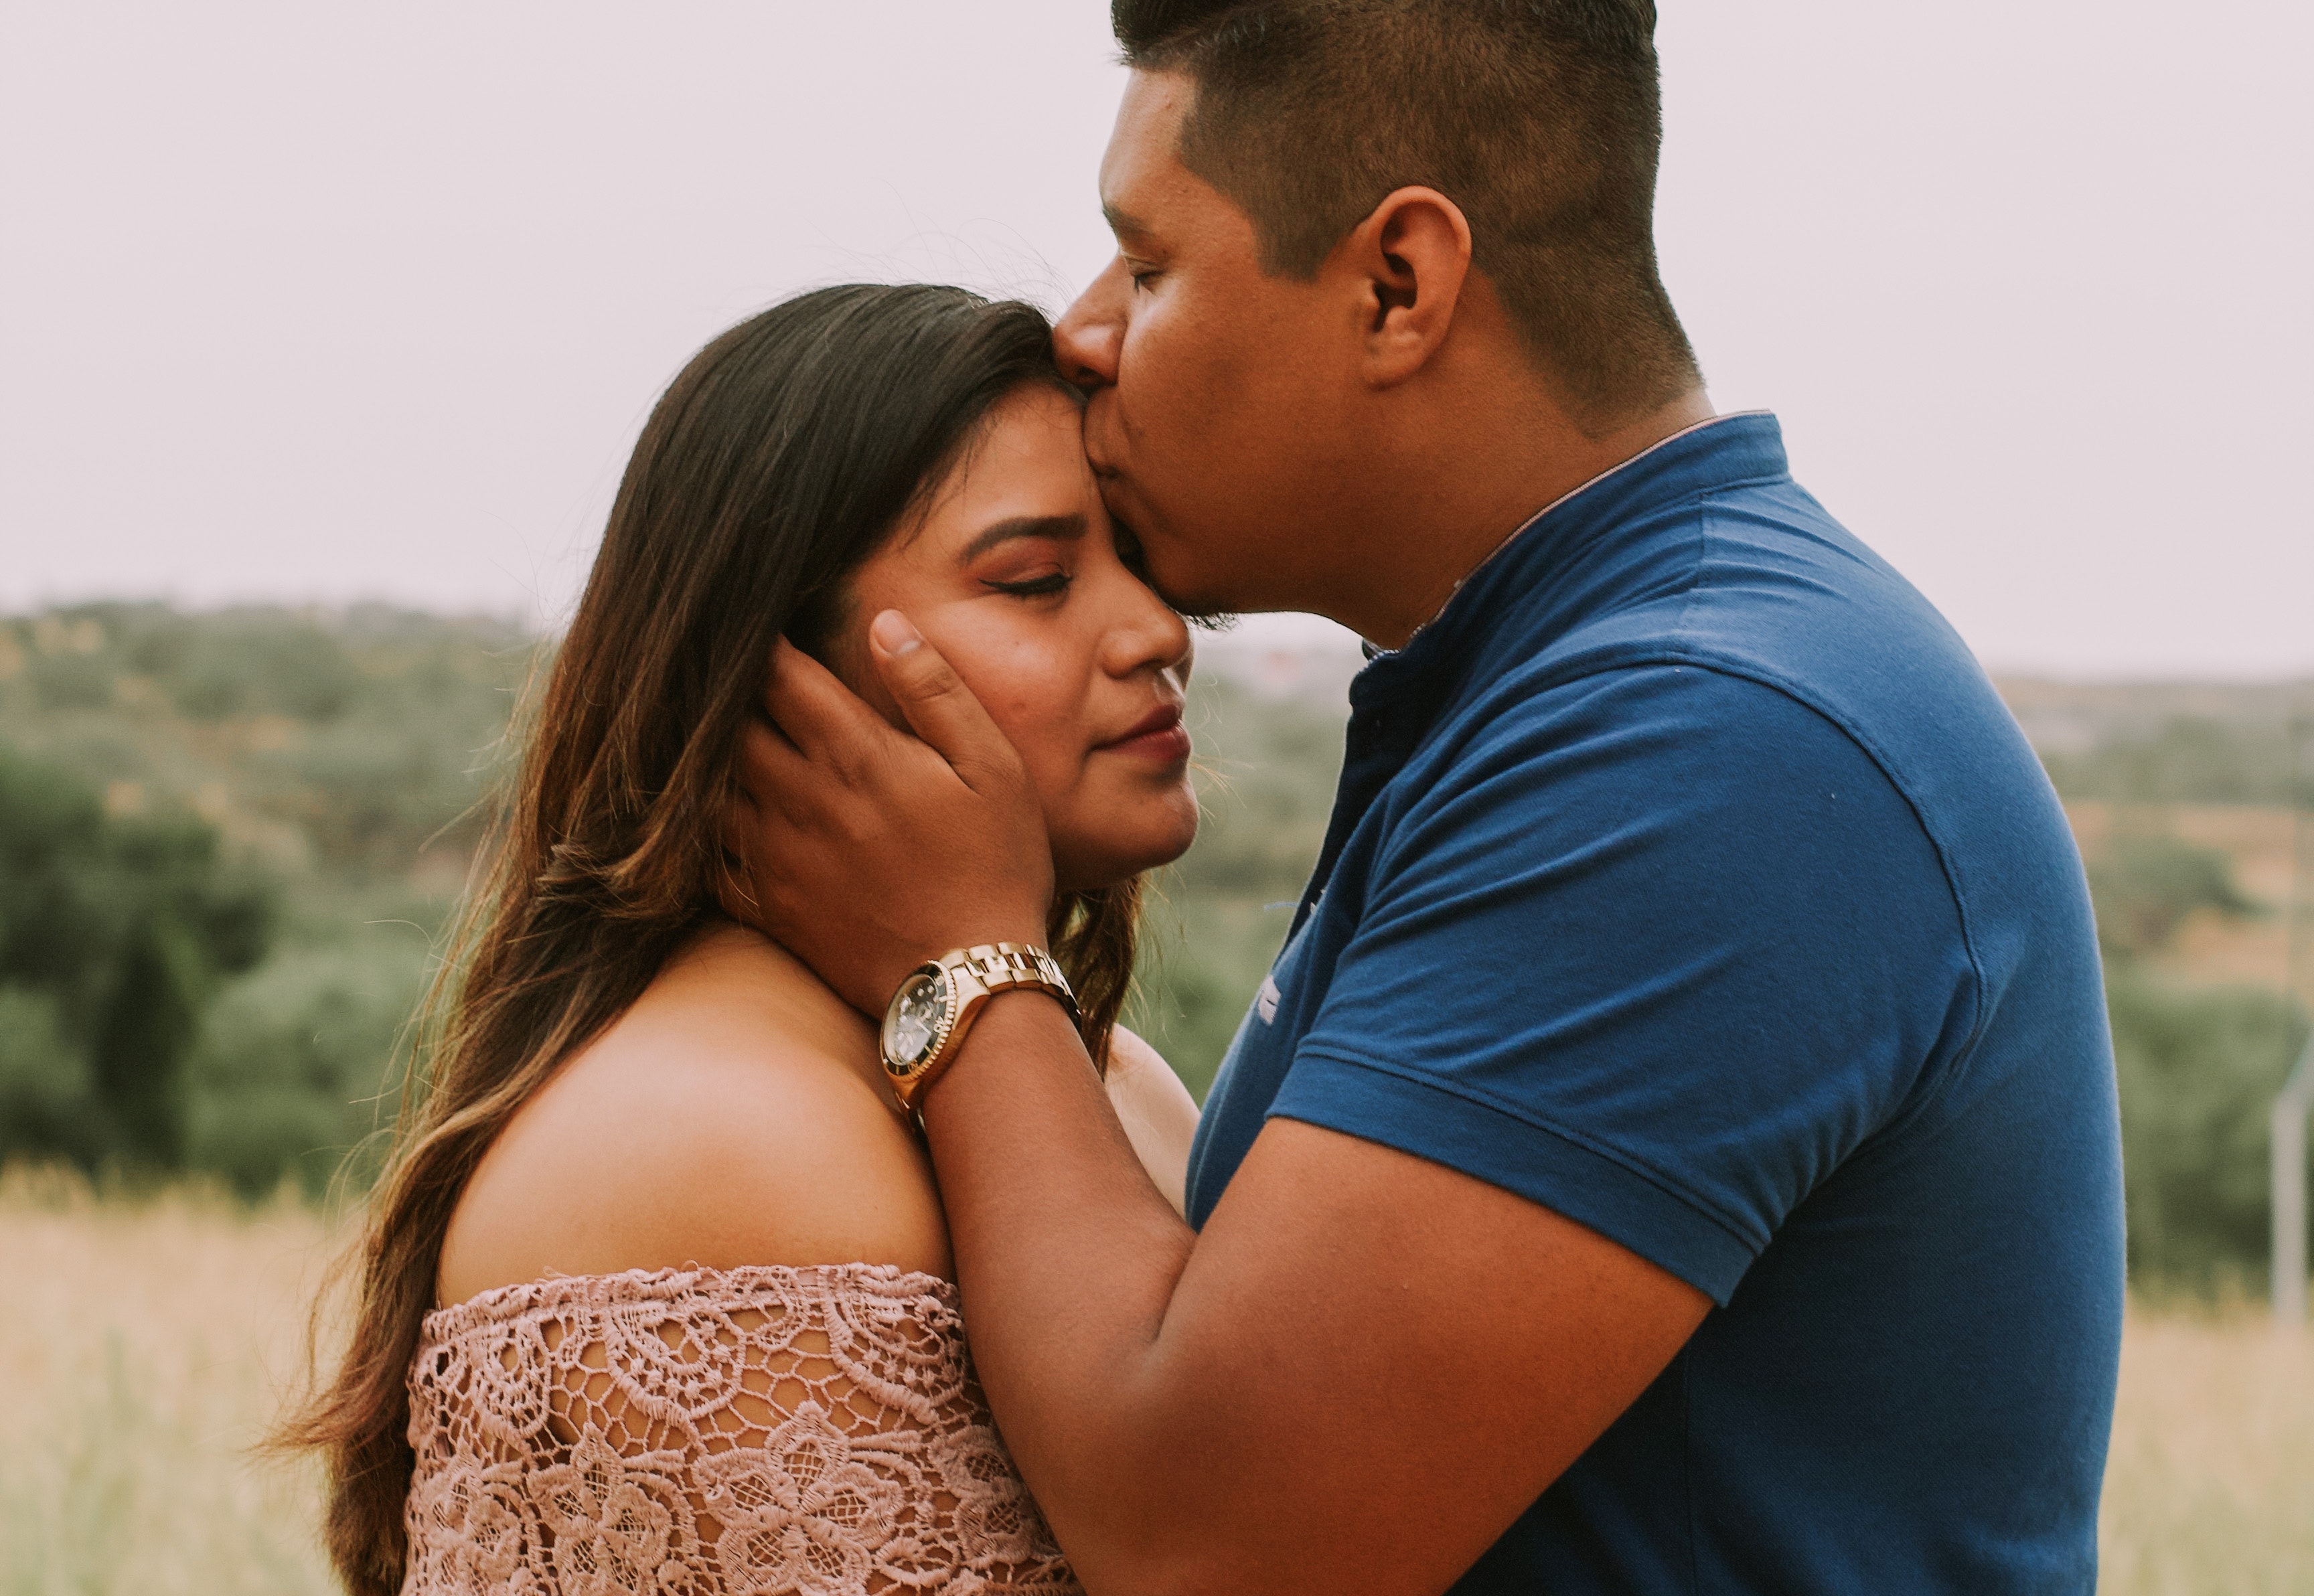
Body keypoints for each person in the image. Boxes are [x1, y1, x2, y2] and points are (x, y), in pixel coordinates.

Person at [722, 3, 2127, 1593]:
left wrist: (961, 963)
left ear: (1399, 284)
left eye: (1152, 263)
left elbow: (1212, 1546)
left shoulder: (1699, 746)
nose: (1087, 329)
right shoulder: (1584, 687)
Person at [281, 283, 1205, 1596]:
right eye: (1036, 579)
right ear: (782, 677)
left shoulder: (1115, 1084)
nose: (1157, 632)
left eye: (1149, 566)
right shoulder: (726, 1138)